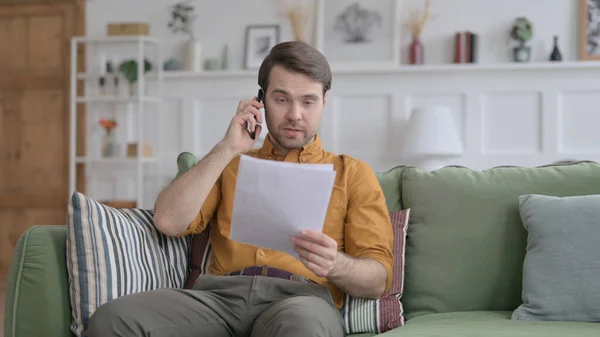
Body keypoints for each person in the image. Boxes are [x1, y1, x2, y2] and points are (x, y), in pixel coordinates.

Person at [87, 41, 394, 337]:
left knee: (300, 328)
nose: (295, 115)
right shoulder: (230, 164)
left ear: (324, 102)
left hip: (302, 301)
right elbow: (168, 220)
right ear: (260, 101)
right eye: (282, 98)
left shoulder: (352, 174)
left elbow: (378, 279)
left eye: (308, 101)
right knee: (112, 320)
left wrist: (335, 264)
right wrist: (227, 147)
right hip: (220, 298)